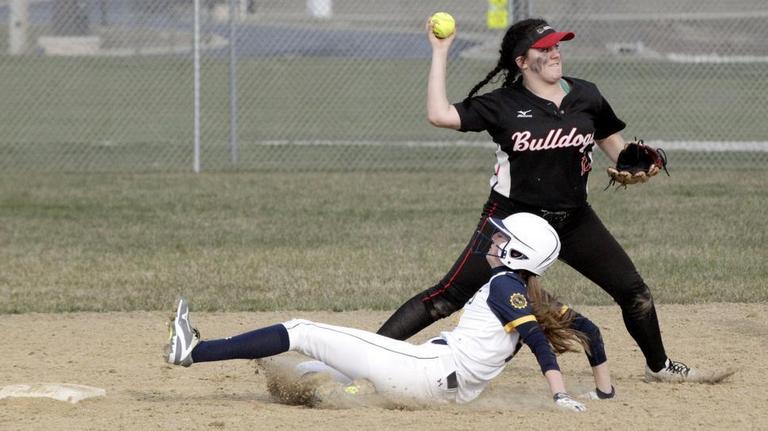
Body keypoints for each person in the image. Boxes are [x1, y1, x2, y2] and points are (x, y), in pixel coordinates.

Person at [375, 17, 701, 383]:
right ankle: (366, 355)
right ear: (522, 61)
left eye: (557, 45)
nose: (555, 52)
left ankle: (658, 367)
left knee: (635, 293)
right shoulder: (503, 104)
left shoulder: (586, 96)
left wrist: (636, 160)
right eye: (544, 49)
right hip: (512, 222)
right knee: (445, 298)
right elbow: (439, 115)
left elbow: (616, 149)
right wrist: (440, 51)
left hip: (574, 220)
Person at [166, 213, 615, 410]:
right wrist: (603, 392)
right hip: (445, 388)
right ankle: (339, 393)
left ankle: (194, 350)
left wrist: (559, 395)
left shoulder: (503, 284)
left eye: (502, 240)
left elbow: (537, 340)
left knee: (299, 329)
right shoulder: (535, 294)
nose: (493, 243)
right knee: (311, 368)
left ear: (517, 253)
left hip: (422, 372)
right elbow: (591, 330)